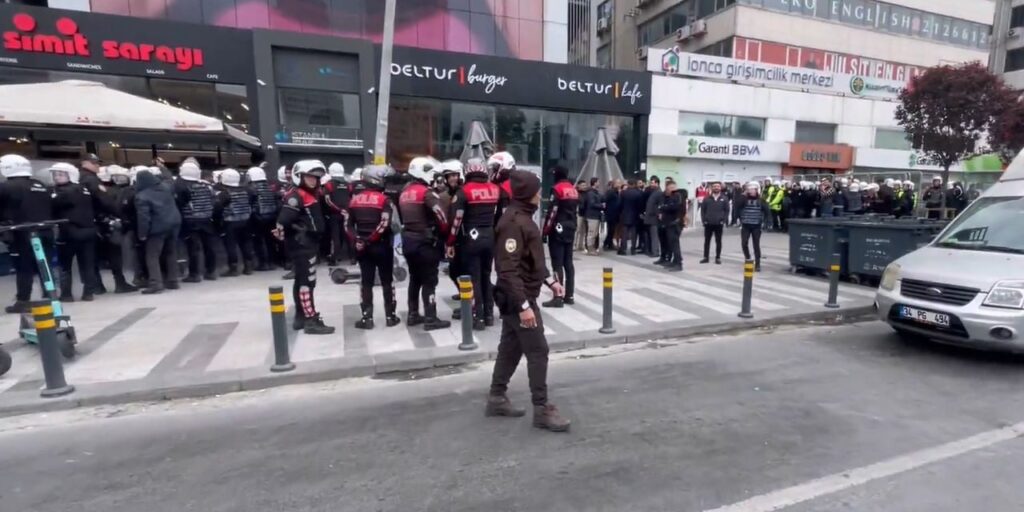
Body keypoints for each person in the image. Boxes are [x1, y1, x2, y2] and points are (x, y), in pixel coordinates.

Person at [488, 169, 570, 433]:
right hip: (517, 298)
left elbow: (531, 261)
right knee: (538, 350)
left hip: (520, 295)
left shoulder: (523, 218)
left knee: (510, 348)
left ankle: (496, 398)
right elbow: (508, 269)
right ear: (526, 194)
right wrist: (524, 307)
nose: (540, 194)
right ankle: (542, 409)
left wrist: (550, 281)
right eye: (537, 190)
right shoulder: (514, 222)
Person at [275, 160, 334, 335]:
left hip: (306, 244)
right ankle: (310, 319)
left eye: (316, 178)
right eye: (309, 177)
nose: (313, 180)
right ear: (299, 176)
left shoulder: (307, 193)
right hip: (303, 246)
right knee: (306, 283)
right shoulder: (296, 195)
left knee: (302, 280)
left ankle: (301, 317)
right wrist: (298, 230)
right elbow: (283, 219)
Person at [447, 158, 500, 330]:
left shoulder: (463, 192)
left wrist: (450, 243)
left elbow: (457, 220)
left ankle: (479, 317)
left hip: (471, 237)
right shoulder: (494, 189)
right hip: (490, 235)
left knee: (474, 278)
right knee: (486, 275)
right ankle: (490, 314)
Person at [399, 157, 451, 331]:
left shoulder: (404, 193)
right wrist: (444, 233)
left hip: (408, 241)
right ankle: (431, 317)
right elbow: (442, 217)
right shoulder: (426, 193)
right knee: (429, 280)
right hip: (425, 243)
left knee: (414, 279)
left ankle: (413, 314)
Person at [348, 164, 400, 329]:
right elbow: (385, 224)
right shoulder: (385, 200)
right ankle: (390, 316)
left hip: (362, 247)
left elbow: (347, 225)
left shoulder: (354, 199)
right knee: (387, 281)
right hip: (382, 246)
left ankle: (366, 318)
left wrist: (358, 240)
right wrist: (371, 239)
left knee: (366, 282)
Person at [0, 155, 54, 313]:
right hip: (45, 230)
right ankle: (50, 295)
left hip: (21, 233)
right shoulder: (40, 185)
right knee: (45, 264)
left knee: (24, 268)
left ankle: (23, 300)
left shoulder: (6, 187)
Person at [50, 163, 99, 302]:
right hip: (88, 231)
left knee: (65, 265)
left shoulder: (62, 192)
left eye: (60, 174)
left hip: (69, 232)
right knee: (87, 264)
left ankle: (66, 294)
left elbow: (53, 206)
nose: (57, 177)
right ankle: (88, 292)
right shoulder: (84, 189)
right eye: (55, 175)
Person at [134, 169, 181, 295]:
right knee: (171, 253)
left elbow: (144, 218)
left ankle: (156, 284)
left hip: (157, 229)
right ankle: (173, 281)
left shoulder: (142, 196)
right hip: (174, 224)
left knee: (152, 256)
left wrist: (142, 234)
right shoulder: (166, 188)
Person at [174, 161, 219, 282]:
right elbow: (214, 201)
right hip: (207, 219)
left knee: (193, 248)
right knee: (209, 247)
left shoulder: (181, 187)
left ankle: (194, 274)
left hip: (191, 220)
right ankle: (211, 271)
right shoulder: (207, 186)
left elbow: (179, 204)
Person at [542, 165, 579, 309]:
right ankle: (569, 295)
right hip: (571, 227)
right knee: (568, 262)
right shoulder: (573, 189)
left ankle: (558, 296)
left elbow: (552, 212)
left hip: (558, 228)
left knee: (557, 262)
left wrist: (545, 231)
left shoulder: (557, 189)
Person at [214, 168, 256, 277]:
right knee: (246, 243)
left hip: (230, 223)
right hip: (246, 221)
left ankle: (233, 268)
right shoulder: (247, 190)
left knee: (231, 245)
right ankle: (248, 267)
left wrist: (217, 222)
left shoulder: (224, 194)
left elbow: (218, 209)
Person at [246, 166, 281, 271]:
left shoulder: (251, 188)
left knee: (258, 241)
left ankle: (263, 263)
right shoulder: (270, 187)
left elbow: (249, 203)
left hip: (257, 217)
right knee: (270, 241)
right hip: (272, 217)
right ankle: (272, 262)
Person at [735, 182, 771, 272]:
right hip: (745, 225)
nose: (751, 191)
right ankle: (748, 258)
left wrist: (767, 222)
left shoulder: (761, 200)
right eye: (749, 189)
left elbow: (767, 212)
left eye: (753, 189)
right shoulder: (744, 199)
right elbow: (737, 206)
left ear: (756, 190)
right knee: (744, 243)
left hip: (756, 226)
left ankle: (758, 264)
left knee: (756, 245)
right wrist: (743, 195)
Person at [323, 162, 351, 266]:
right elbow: (351, 198)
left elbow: (327, 201)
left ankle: (334, 258)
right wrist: (347, 210)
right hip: (347, 214)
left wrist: (339, 210)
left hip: (335, 214)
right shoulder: (348, 184)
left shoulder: (329, 184)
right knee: (347, 235)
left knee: (335, 237)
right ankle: (352, 258)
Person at [699, 182, 729, 265]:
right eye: (714, 186)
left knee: (718, 241)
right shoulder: (707, 198)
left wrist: (724, 220)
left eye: (718, 186)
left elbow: (727, 211)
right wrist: (704, 220)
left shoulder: (724, 198)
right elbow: (703, 210)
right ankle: (705, 257)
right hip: (708, 223)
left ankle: (718, 258)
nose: (716, 188)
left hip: (719, 223)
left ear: (720, 188)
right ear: (712, 188)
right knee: (707, 241)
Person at [659, 179, 684, 272]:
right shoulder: (671, 196)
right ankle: (674, 261)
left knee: (675, 244)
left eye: (671, 188)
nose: (669, 190)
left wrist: (663, 207)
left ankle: (679, 263)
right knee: (671, 244)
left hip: (675, 223)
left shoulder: (677, 196)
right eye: (668, 188)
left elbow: (674, 207)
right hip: (669, 223)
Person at [618, 179, 643, 255]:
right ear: (635, 184)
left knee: (624, 233)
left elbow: (620, 205)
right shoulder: (638, 194)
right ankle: (633, 249)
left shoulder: (623, 193)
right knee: (634, 234)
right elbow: (640, 206)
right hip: (634, 216)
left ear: (628, 184)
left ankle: (623, 249)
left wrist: (620, 213)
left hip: (625, 215)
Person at [582, 177, 604, 254]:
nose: (599, 183)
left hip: (594, 215)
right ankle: (590, 248)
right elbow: (592, 204)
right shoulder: (591, 193)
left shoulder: (594, 192)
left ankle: (592, 247)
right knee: (591, 233)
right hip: (592, 215)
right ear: (594, 183)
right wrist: (601, 205)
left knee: (594, 232)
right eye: (598, 182)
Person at [643, 176, 663, 259]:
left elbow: (659, 205)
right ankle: (652, 250)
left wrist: (657, 213)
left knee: (654, 235)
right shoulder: (652, 191)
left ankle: (655, 252)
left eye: (652, 183)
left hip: (654, 217)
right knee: (651, 235)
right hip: (650, 216)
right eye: (650, 182)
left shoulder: (658, 192)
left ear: (657, 183)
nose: (651, 184)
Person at [602, 179, 621, 251]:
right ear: (614, 184)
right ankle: (606, 243)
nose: (619, 184)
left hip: (616, 214)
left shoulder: (617, 192)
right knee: (611, 230)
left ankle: (609, 244)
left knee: (612, 230)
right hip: (611, 214)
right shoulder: (611, 192)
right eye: (618, 183)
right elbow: (605, 200)